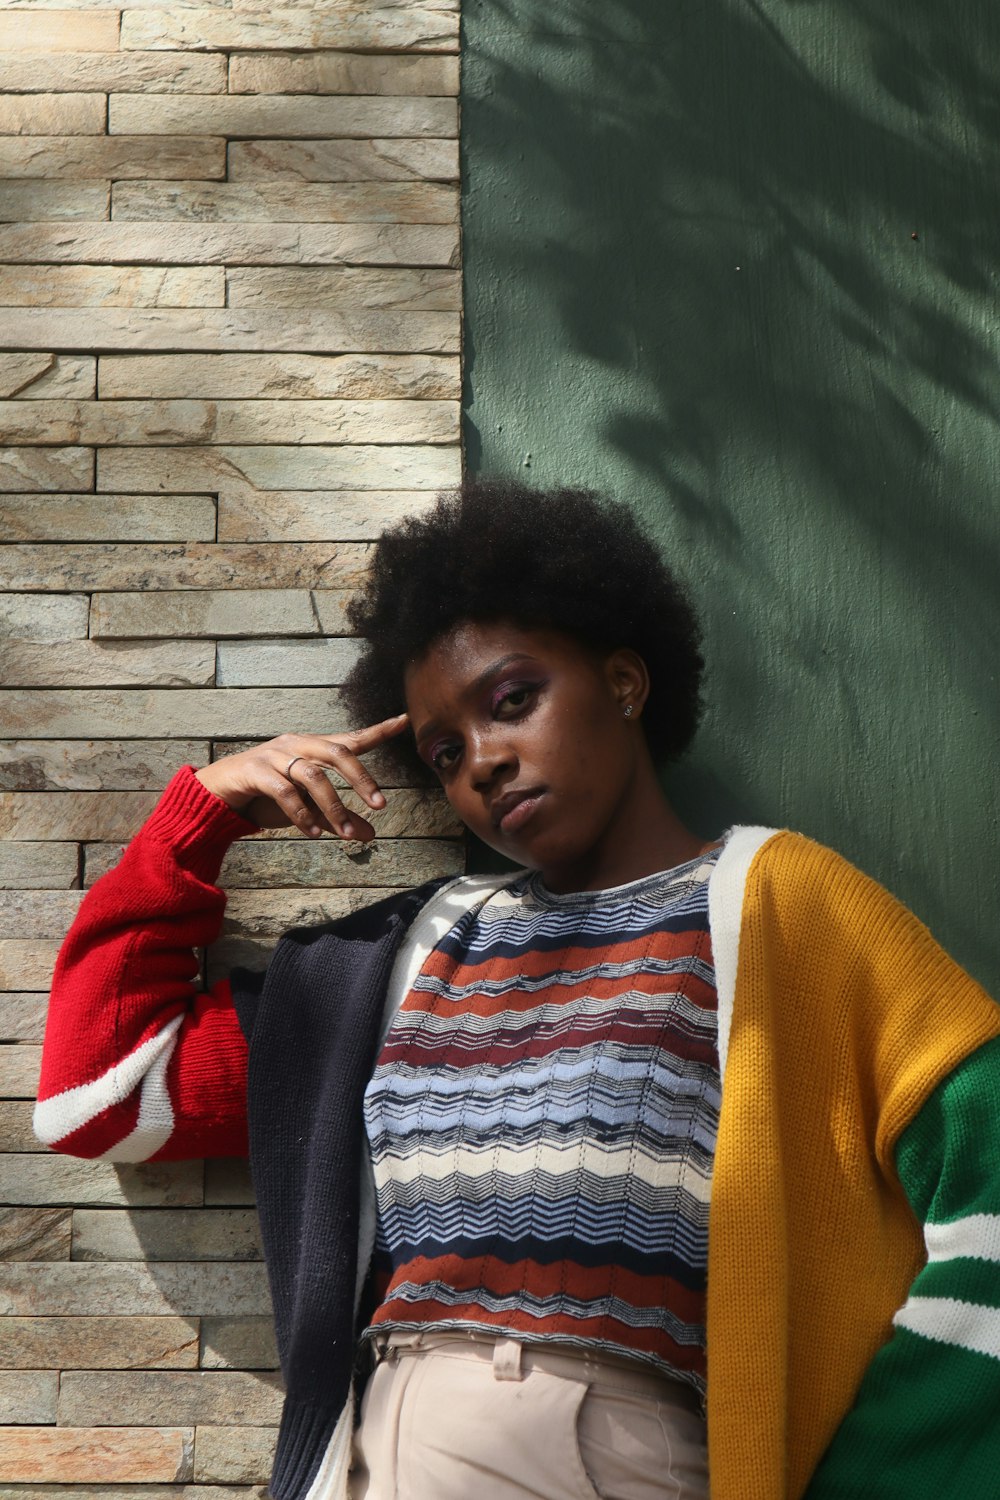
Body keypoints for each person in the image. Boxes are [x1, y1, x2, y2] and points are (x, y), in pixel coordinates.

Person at [34, 480, 1000, 1500]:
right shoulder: (415, 954)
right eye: (445, 753)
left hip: (587, 1447)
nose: (485, 762)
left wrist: (885, 1473)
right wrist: (204, 818)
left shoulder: (775, 902)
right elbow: (99, 1100)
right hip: (365, 1452)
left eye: (512, 701)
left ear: (623, 681)